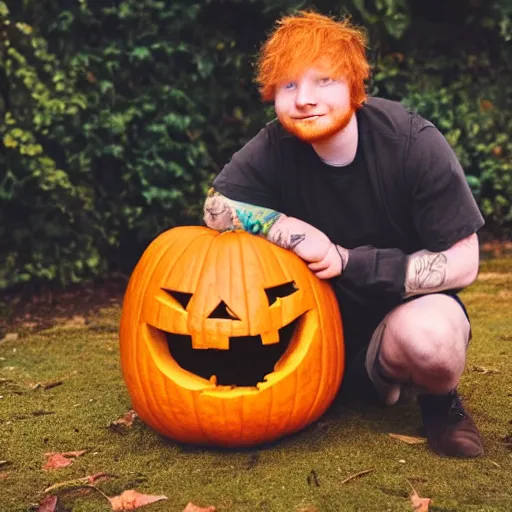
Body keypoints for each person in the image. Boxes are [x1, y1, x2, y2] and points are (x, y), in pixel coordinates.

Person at [202, 10, 485, 458]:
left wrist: (348, 260)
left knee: (433, 336)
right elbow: (216, 207)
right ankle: (359, 386)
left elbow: (465, 261)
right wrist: (286, 228)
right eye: (289, 85)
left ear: (354, 86)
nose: (304, 99)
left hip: (397, 321)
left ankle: (436, 403)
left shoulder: (412, 142)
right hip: (307, 337)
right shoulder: (275, 145)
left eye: (324, 81)